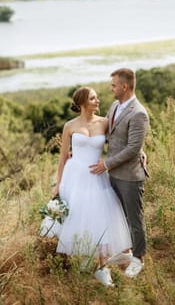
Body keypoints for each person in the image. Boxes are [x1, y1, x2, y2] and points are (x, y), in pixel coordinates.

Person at [52, 86, 132, 287]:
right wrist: (58, 184)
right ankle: (88, 258)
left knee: (101, 216)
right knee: (79, 217)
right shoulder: (69, 126)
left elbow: (120, 144)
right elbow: (62, 157)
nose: (98, 101)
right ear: (82, 103)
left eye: (97, 97)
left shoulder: (105, 122)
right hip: (75, 177)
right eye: (93, 98)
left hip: (97, 175)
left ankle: (103, 268)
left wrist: (139, 153)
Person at [90, 67, 150, 278]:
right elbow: (110, 133)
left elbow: (133, 148)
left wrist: (106, 164)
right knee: (119, 217)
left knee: (134, 219)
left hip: (130, 176)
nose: (111, 88)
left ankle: (138, 258)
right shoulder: (115, 105)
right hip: (114, 175)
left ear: (125, 86)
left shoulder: (139, 113)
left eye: (113, 85)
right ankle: (125, 252)